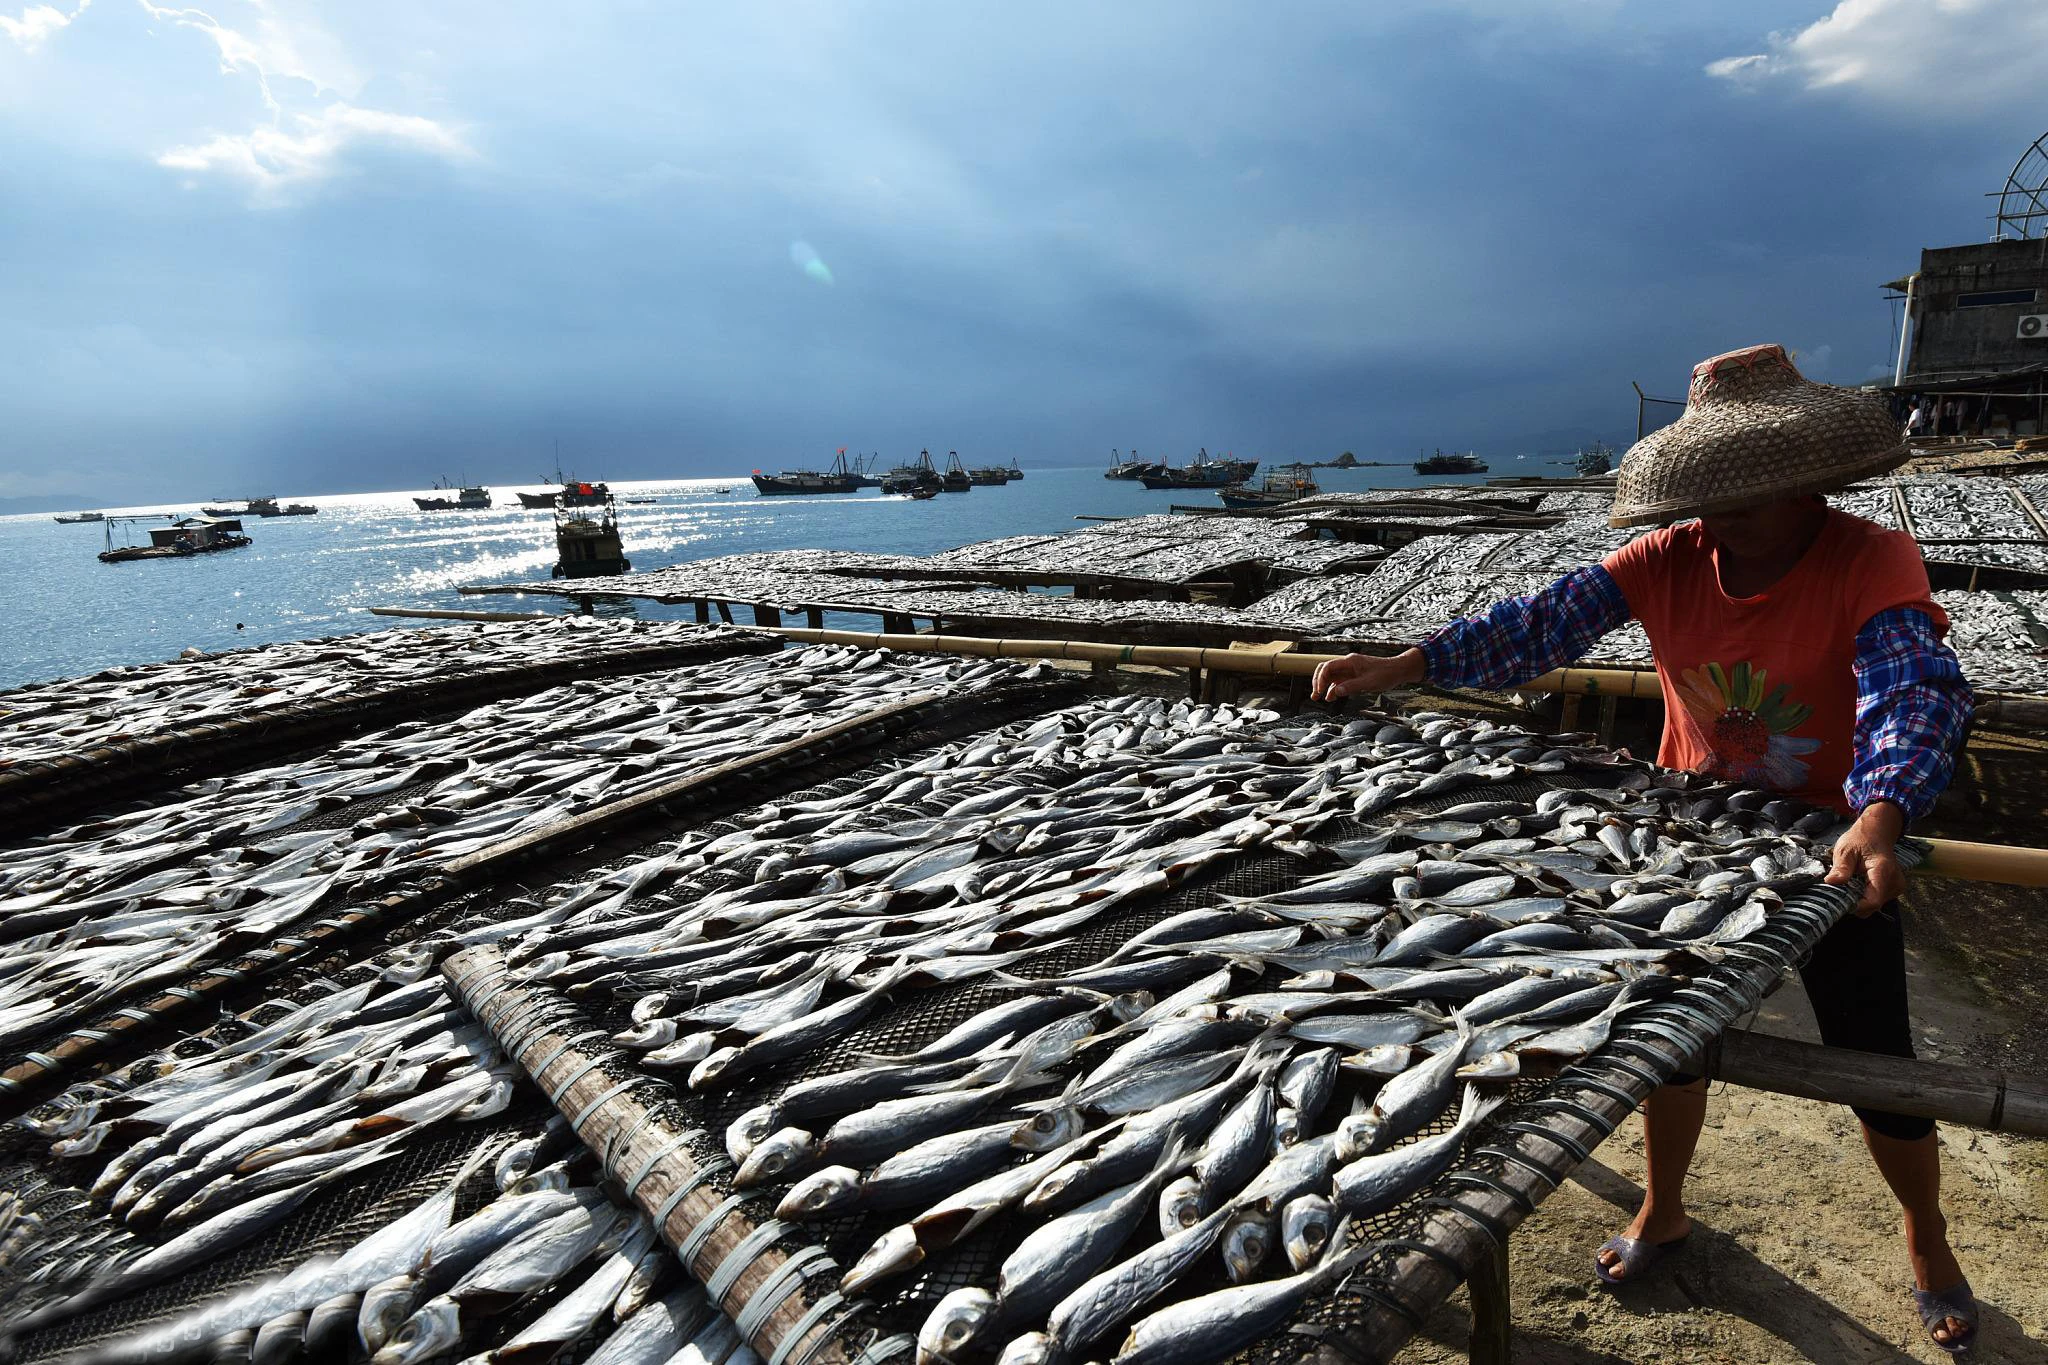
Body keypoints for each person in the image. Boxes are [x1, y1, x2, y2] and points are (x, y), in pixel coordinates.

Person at [1309, 344, 1977, 1353]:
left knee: (1873, 1058)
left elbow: (1911, 686)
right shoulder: (1659, 562)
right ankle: (1663, 1206)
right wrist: (1405, 664)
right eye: (1704, 498)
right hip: (1687, 839)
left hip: (1828, 845)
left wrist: (1881, 810)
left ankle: (1925, 1235)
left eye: (1744, 495)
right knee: (1663, 1044)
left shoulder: (1865, 557)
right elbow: (1538, 627)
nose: (1719, 517)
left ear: (1806, 484)